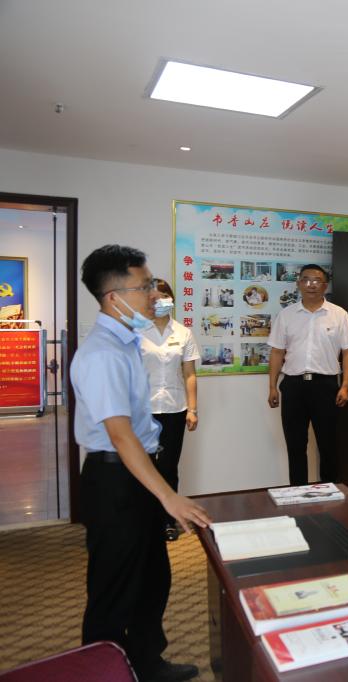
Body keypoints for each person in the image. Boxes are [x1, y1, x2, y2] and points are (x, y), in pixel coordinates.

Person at [70, 244, 211, 682]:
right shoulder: (102, 353)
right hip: (114, 478)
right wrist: (169, 497)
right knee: (115, 588)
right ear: (114, 297)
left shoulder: (127, 341)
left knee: (152, 577)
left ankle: (148, 663)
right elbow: (120, 434)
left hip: (135, 473)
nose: (155, 294)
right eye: (145, 286)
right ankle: (104, 672)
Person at [267, 264, 348, 485]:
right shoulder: (286, 315)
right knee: (295, 445)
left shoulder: (339, 315)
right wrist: (272, 387)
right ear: (299, 283)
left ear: (325, 286)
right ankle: (297, 491)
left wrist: (345, 386)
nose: (311, 285)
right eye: (306, 280)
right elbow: (277, 352)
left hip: (326, 386)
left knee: (328, 444)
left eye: (317, 280)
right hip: (293, 386)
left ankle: (331, 491)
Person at [140, 278, 200, 542]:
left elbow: (190, 374)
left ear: (171, 299)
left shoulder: (183, 333)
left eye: (163, 296)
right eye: (152, 297)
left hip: (175, 409)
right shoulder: (137, 332)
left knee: (168, 467)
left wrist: (193, 409)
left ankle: (167, 521)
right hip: (143, 411)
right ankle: (144, 520)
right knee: (143, 467)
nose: (158, 302)